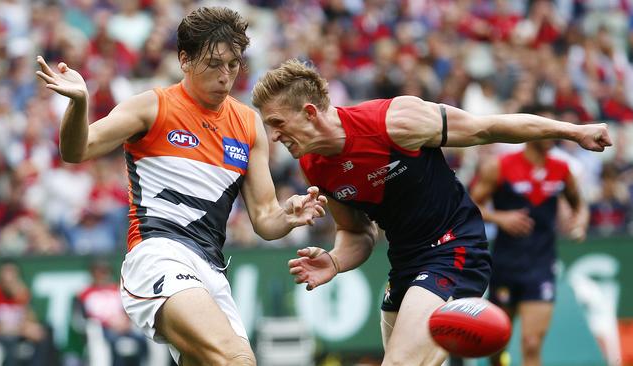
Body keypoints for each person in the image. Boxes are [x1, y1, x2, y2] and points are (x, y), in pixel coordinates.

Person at [250, 59, 611, 365]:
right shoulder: (314, 166)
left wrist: (574, 131)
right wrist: (334, 262)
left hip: (454, 248)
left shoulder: (394, 121)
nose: (275, 135)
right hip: (405, 264)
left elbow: (487, 127)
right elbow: (357, 233)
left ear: (310, 112)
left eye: (278, 123)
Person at [36, 7, 327, 366]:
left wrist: (289, 213)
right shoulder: (152, 107)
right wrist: (79, 104)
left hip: (211, 271)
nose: (226, 76)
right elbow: (76, 149)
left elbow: (266, 220)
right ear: (184, 59)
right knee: (235, 360)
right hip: (158, 255)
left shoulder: (249, 124)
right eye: (214, 63)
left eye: (234, 64)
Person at [469, 105, 590, 366]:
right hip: (505, 264)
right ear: (530, 130)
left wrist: (579, 224)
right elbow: (471, 205)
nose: (554, 134)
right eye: (547, 128)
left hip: (541, 265)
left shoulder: (562, 170)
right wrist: (500, 217)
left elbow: (580, 205)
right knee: (495, 343)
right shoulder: (499, 167)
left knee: (532, 343)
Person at [73, 259, 147, 366]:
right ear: (93, 273)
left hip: (124, 326)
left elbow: (129, 310)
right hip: (103, 329)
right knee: (113, 343)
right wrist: (108, 323)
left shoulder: (119, 290)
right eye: (99, 272)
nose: (103, 275)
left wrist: (126, 322)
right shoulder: (84, 293)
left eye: (105, 271)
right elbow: (83, 317)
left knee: (142, 340)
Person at [0, 259, 56, 366]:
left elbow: (32, 320)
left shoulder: (21, 293)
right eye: (6, 273)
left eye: (12, 273)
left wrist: (23, 300)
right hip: (0, 336)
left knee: (45, 330)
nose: (9, 278)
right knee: (9, 342)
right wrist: (21, 330)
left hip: (17, 332)